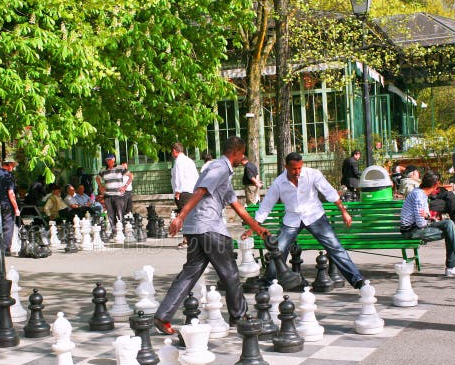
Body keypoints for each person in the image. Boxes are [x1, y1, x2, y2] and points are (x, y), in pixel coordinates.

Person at [152, 137, 269, 334]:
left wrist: (258, 229)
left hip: (196, 229)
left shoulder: (221, 172)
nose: (243, 158)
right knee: (230, 273)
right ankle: (239, 317)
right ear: (235, 152)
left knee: (189, 273)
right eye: (242, 154)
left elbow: (237, 206)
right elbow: (200, 191)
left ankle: (163, 316)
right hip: (209, 227)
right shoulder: (220, 168)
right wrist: (180, 216)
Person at [249, 152, 365, 289]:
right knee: (278, 249)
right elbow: (266, 205)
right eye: (294, 169)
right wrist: (253, 227)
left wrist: (344, 212)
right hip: (292, 219)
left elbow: (330, 192)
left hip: (315, 216)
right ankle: (269, 282)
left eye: (299, 168)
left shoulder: (313, 174)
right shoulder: (279, 182)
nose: (297, 171)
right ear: (286, 167)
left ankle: (357, 279)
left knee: (335, 247)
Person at [400, 170, 455, 277]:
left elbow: (425, 217)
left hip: (416, 228)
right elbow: (421, 223)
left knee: (449, 224)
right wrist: (428, 218)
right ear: (436, 184)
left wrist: (428, 217)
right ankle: (453, 264)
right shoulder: (419, 196)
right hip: (411, 231)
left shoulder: (420, 193)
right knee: (450, 230)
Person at [401, 165, 455, 239]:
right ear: (412, 174)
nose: (418, 173)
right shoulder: (408, 183)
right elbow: (418, 202)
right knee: (449, 207)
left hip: (428, 201)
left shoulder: (418, 183)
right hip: (427, 204)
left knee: (448, 197)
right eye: (416, 172)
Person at [170, 142, 199, 250]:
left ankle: (188, 240)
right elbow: (197, 176)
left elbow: (179, 177)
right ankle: (194, 239)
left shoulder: (178, 161)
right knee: (191, 216)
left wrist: (177, 191)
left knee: (184, 217)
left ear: (174, 151)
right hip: (192, 192)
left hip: (183, 192)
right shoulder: (190, 161)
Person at [96, 153, 132, 231]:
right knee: (110, 215)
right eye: (107, 160)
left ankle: (121, 230)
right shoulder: (103, 170)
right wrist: (101, 186)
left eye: (110, 160)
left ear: (114, 160)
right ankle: (114, 231)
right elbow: (97, 178)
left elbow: (131, 176)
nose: (108, 161)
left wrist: (125, 186)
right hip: (108, 196)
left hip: (119, 195)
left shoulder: (120, 168)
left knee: (120, 213)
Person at [0, 160, 20, 256]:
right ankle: (6, 249)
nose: (13, 168)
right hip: (7, 203)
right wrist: (16, 208)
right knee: (8, 226)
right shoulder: (8, 175)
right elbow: (11, 193)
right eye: (13, 166)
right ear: (10, 165)